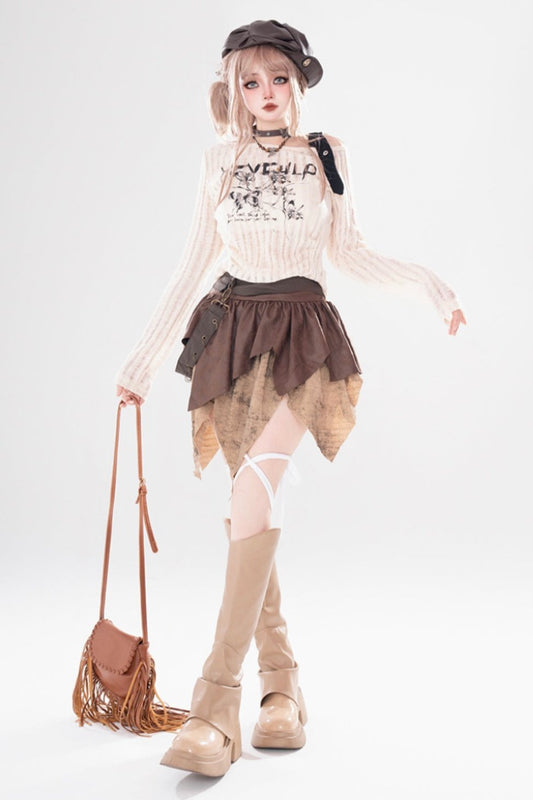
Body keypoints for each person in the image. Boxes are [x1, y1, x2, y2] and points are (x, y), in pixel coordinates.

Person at [115, 19, 467, 778]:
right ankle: (282, 689)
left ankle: (216, 705)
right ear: (234, 90)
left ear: (299, 83)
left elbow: (351, 253)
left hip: (303, 334)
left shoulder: (325, 154)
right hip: (231, 335)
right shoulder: (219, 160)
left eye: (279, 78)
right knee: (254, 502)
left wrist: (431, 288)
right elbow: (190, 263)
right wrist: (139, 364)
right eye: (251, 82)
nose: (267, 93)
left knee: (255, 485)